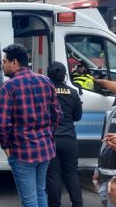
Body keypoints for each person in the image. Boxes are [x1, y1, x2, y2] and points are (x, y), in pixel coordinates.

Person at [0, 43, 62, 207]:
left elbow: (2, 123)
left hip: (22, 151)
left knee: (29, 199)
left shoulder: (9, 87)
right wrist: (47, 135)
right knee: (40, 193)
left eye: (4, 61)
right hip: (45, 148)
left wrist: (5, 145)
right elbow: (57, 114)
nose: (2, 65)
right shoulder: (46, 81)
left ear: (15, 63)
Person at [46, 61, 83, 207]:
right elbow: (77, 116)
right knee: (71, 174)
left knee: (53, 175)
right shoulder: (73, 92)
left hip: (51, 138)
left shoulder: (46, 91)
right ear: (64, 75)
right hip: (69, 139)